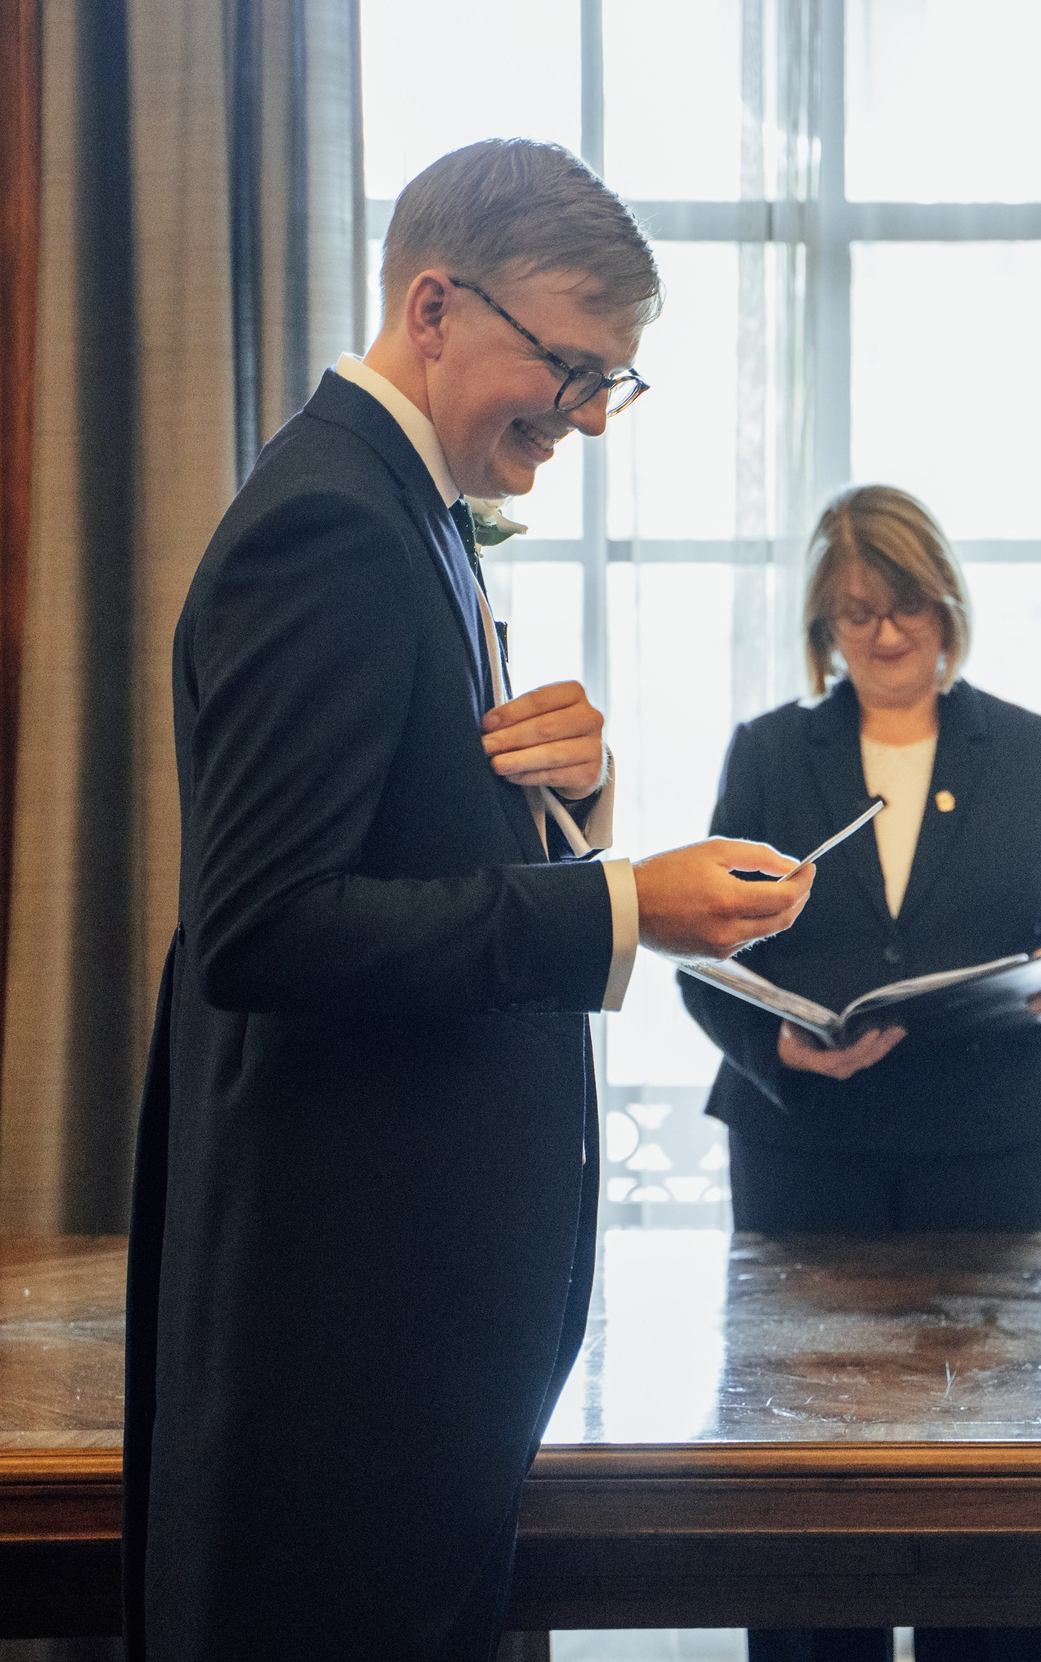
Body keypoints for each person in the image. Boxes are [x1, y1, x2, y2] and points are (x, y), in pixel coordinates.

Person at [124, 138, 818, 1662]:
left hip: (405, 1342)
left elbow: (387, 846)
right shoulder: (330, 525)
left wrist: (570, 803)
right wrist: (623, 905)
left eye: (610, 382)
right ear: (434, 307)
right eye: (569, 368)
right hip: (345, 1353)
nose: (588, 416)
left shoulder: (411, 509)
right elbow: (266, 923)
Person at [681, 483, 1041, 1662]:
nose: (883, 636)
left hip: (986, 1151)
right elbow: (703, 958)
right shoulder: (771, 753)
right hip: (805, 1155)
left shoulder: (1026, 748)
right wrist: (776, 1045)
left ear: (946, 607)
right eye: (855, 613)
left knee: (988, 1473)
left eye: (906, 607)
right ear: (822, 624)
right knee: (808, 1478)